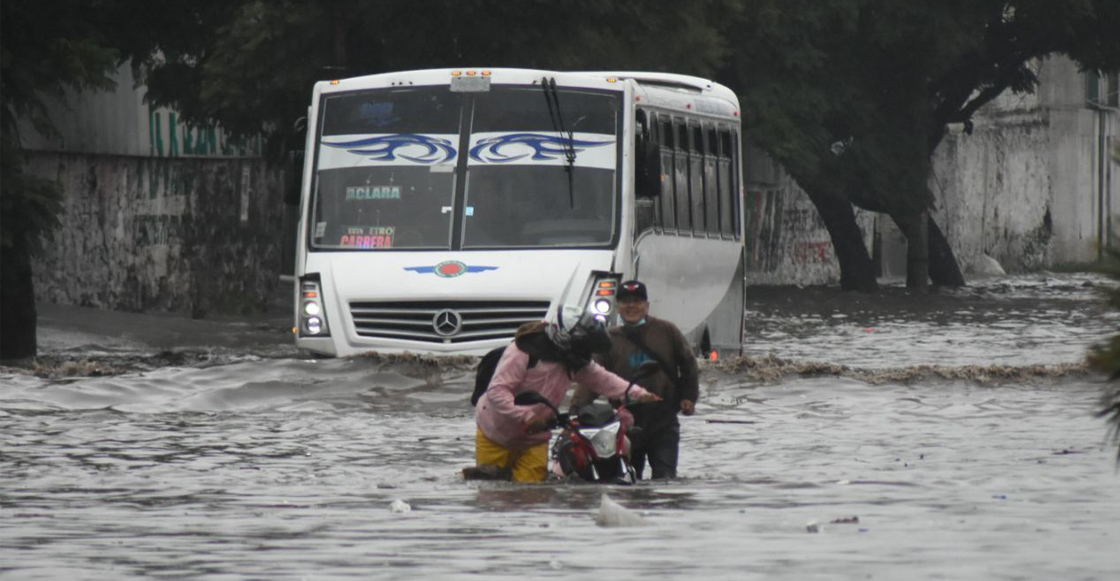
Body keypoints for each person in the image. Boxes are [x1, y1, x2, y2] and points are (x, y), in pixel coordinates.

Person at [472, 304, 660, 483]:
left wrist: (639, 394)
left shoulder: (573, 359)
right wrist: (527, 416)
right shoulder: (523, 351)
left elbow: (602, 379)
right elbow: (497, 391)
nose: (585, 352)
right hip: (495, 432)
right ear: (565, 339)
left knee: (532, 493)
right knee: (492, 492)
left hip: (533, 438)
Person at [570, 280, 699, 479]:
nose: (631, 306)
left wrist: (688, 397)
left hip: (664, 420)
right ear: (617, 306)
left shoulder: (667, 331)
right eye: (625, 302)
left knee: (666, 480)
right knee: (628, 481)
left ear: (647, 305)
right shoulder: (608, 339)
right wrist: (575, 412)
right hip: (624, 423)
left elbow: (689, 365)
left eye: (637, 301)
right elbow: (594, 378)